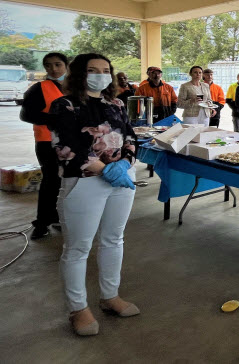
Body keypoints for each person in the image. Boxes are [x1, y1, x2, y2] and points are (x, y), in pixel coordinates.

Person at [50, 53, 140, 336]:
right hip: (85, 181)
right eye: (92, 70)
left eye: (105, 70)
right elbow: (65, 146)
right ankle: (78, 309)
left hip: (121, 179)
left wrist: (125, 163)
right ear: (79, 73)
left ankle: (110, 296)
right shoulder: (64, 105)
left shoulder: (115, 103)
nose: (100, 75)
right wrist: (103, 168)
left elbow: (130, 136)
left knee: (114, 238)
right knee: (78, 248)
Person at [19, 52, 68, 239]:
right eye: (48, 65)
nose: (53, 69)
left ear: (66, 65)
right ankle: (41, 223)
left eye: (58, 64)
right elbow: (25, 115)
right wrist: (55, 120)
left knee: (67, 182)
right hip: (47, 142)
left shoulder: (72, 87)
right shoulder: (39, 88)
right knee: (51, 182)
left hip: (70, 143)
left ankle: (56, 216)